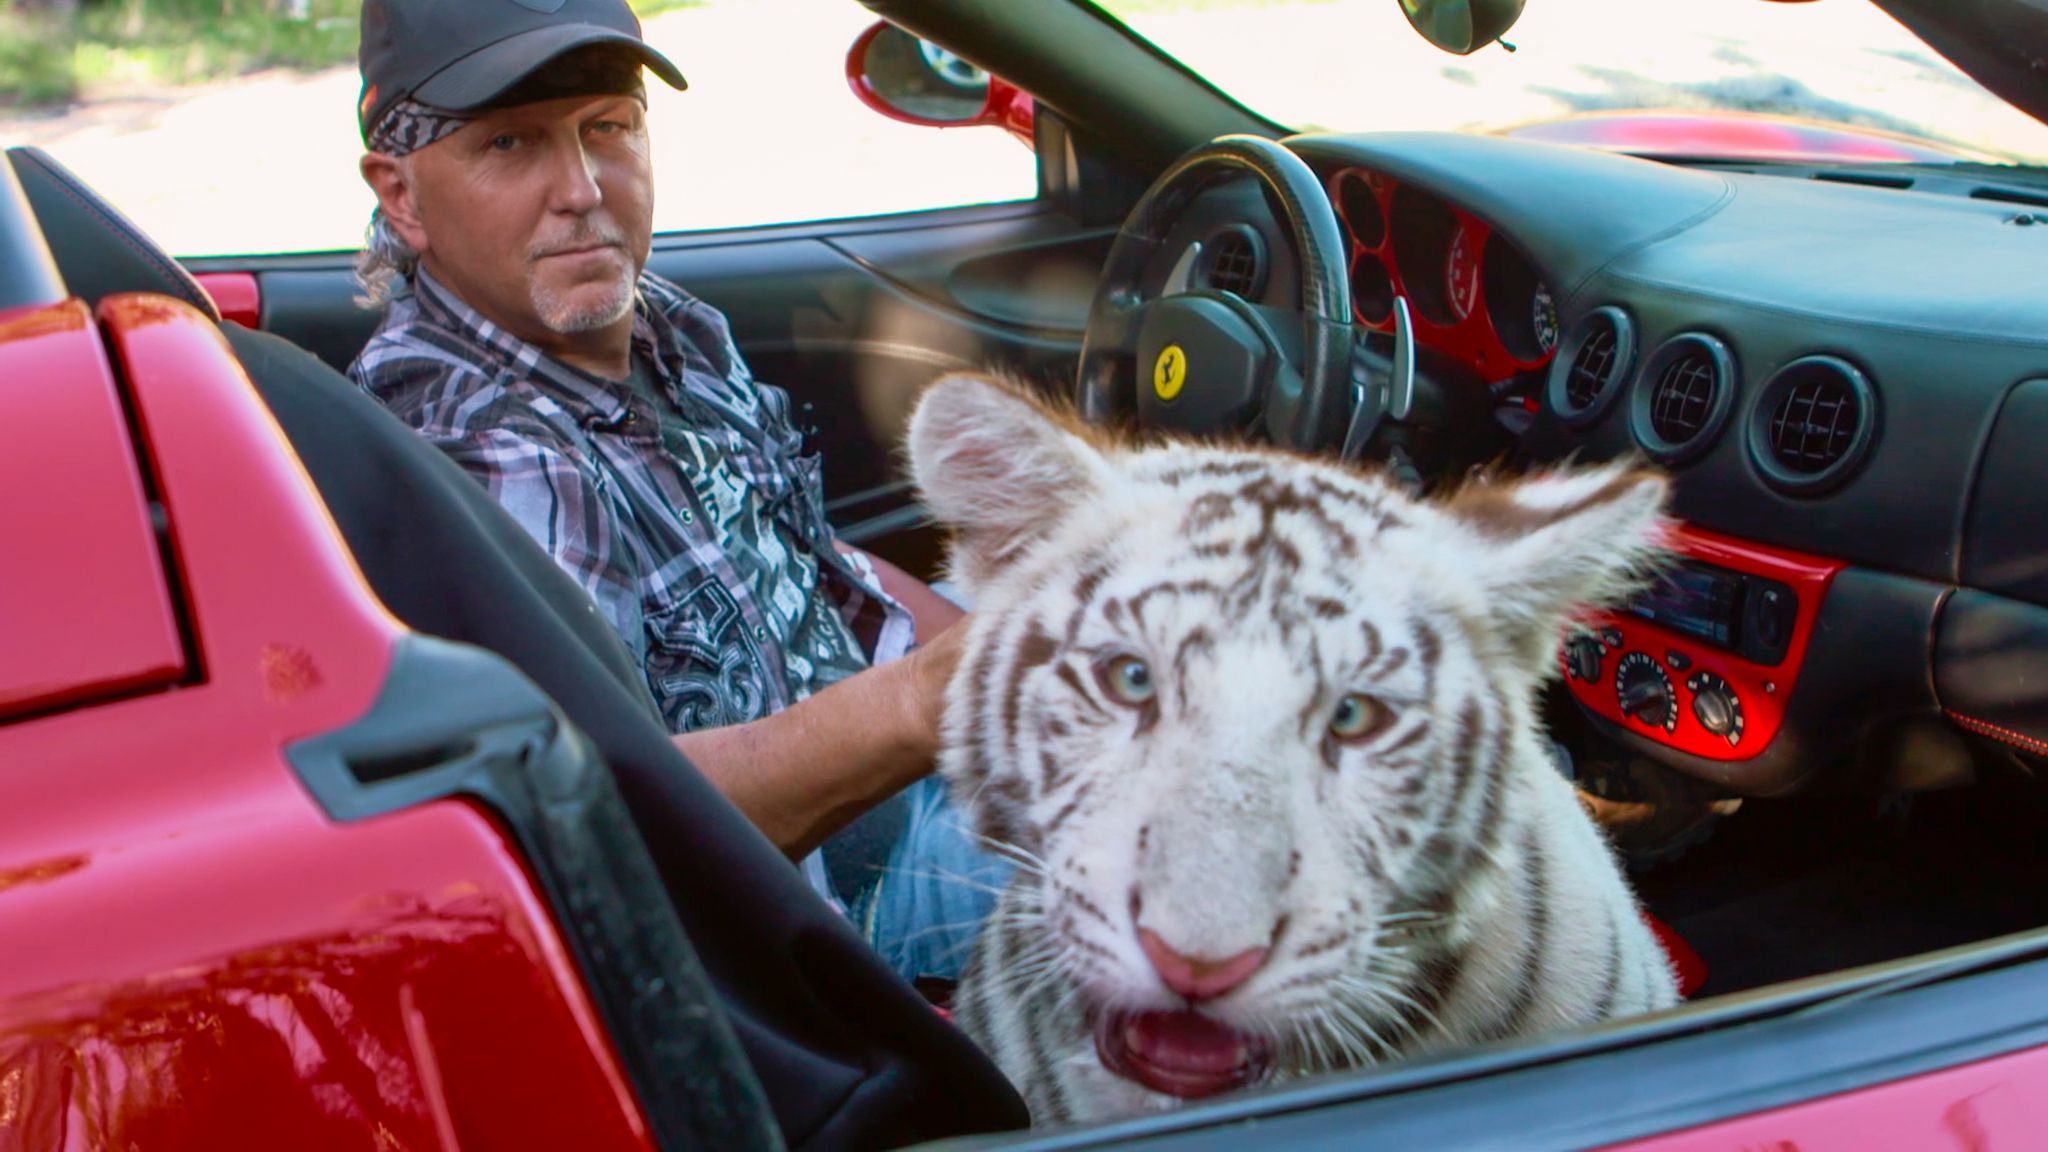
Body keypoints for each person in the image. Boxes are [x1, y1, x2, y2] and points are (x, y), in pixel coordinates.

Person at [346, 0, 1006, 984]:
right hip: (829, 924)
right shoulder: (489, 450)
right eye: (510, 143)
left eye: (607, 126)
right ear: (401, 196)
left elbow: (805, 559)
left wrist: (984, 649)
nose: (581, 190)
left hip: (894, 774)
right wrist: (940, 697)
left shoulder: (664, 328)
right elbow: (617, 821)